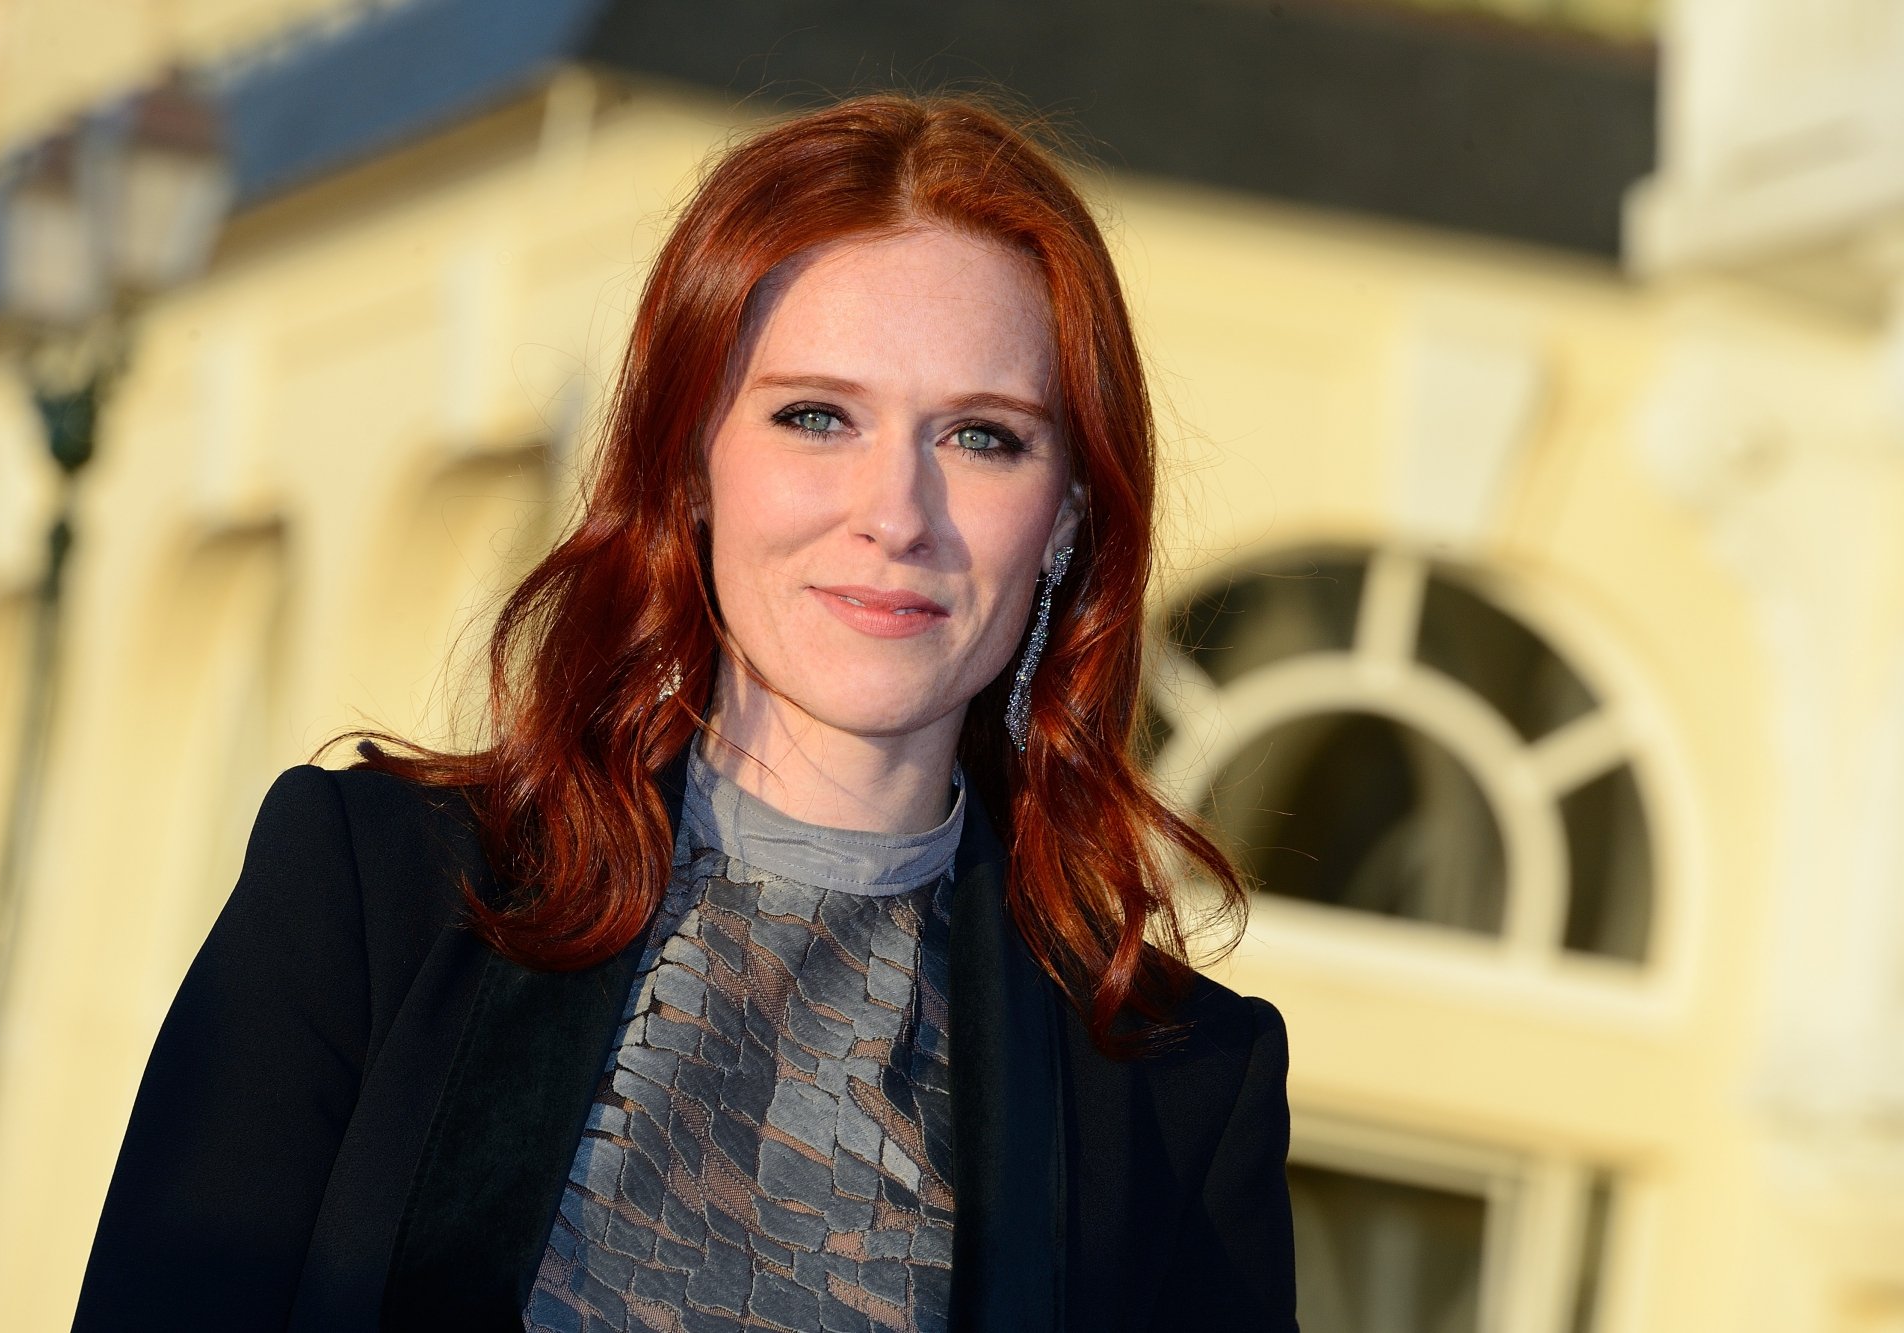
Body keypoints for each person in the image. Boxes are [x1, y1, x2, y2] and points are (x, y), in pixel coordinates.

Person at [71, 92, 1297, 1332]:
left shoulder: (1176, 1091)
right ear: (690, 460)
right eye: (815, 415)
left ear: (1068, 517)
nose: (895, 512)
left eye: (982, 437)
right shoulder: (377, 894)